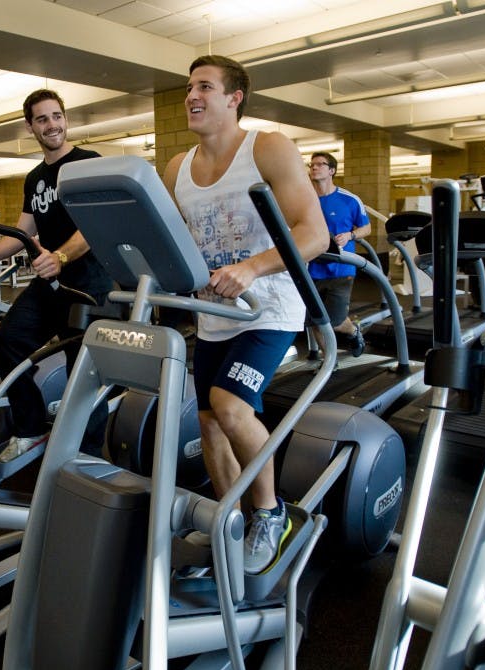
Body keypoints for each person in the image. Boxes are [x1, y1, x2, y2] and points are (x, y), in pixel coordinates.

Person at [162, 55, 327, 574]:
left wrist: (253, 268)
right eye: (189, 87)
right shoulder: (176, 168)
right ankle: (230, 519)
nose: (192, 95)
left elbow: (314, 232)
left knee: (229, 406)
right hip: (212, 313)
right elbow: (173, 240)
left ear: (234, 98)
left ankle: (271, 512)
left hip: (269, 306)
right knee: (209, 423)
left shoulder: (268, 147)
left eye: (204, 87)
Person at [0, 89, 113, 463]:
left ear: (65, 119)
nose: (52, 124)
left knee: (83, 372)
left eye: (57, 116)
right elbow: (22, 232)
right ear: (31, 126)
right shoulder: (35, 178)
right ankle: (31, 428)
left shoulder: (88, 163)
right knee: (8, 339)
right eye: (42, 119)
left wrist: (60, 255)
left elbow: (95, 223)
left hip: (87, 284)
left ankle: (86, 460)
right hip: (49, 283)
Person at [306, 151, 371, 358]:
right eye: (312, 165)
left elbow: (366, 228)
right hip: (312, 269)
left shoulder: (349, 200)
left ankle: (353, 330)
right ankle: (329, 360)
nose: (314, 167)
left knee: (334, 321)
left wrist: (350, 235)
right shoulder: (305, 200)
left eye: (320, 164)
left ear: (332, 171)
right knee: (315, 320)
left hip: (341, 270)